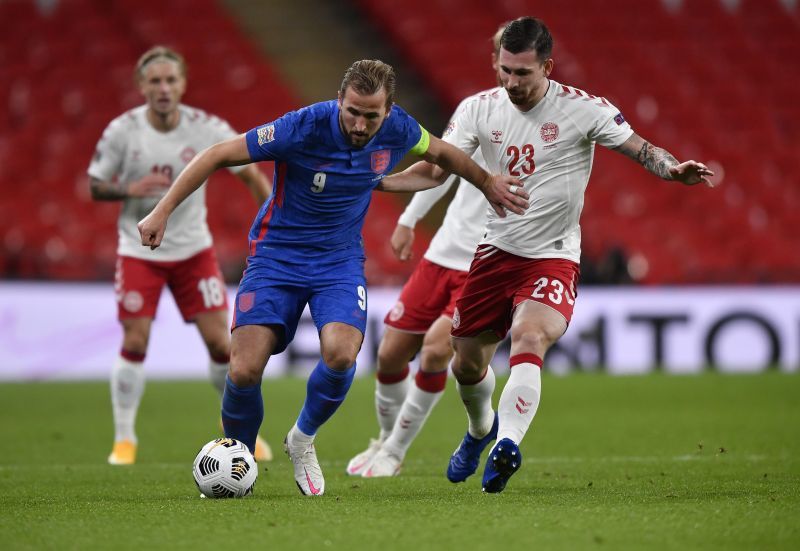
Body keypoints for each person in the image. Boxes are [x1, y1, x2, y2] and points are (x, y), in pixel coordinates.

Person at [137, 59, 528, 496]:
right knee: (244, 369)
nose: (360, 124)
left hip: (337, 262)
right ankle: (240, 459)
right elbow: (217, 155)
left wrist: (485, 182)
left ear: (388, 110)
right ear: (339, 100)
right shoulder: (301, 127)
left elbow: (443, 154)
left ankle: (302, 440)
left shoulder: (400, 127)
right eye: (352, 112)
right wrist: (162, 210)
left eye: (371, 116)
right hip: (275, 257)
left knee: (342, 354)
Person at [404, 17, 715, 493]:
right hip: (493, 254)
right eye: (505, 70)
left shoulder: (583, 109)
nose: (510, 82)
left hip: (552, 256)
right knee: (465, 364)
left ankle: (507, 443)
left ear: (547, 66)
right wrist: (374, 182)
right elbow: (433, 172)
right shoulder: (478, 109)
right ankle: (479, 430)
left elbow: (639, 148)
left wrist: (672, 169)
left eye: (522, 73)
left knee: (530, 337)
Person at [88, 46, 274, 466]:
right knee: (135, 339)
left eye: (171, 80)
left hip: (194, 250)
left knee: (221, 345)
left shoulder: (206, 128)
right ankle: (124, 440)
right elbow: (95, 184)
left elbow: (250, 172)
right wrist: (129, 190)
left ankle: (244, 434)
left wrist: (273, 224)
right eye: (155, 81)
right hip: (138, 251)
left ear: (183, 84)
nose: (164, 88)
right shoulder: (122, 131)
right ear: (141, 87)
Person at [346, 23, 508, 479]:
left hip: (488, 262)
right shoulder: (476, 110)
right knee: (391, 354)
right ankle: (383, 440)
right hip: (442, 255)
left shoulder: (550, 122)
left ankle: (397, 451)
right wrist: (407, 218)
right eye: (500, 62)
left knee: (439, 352)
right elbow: (443, 166)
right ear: (495, 62)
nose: (508, 73)